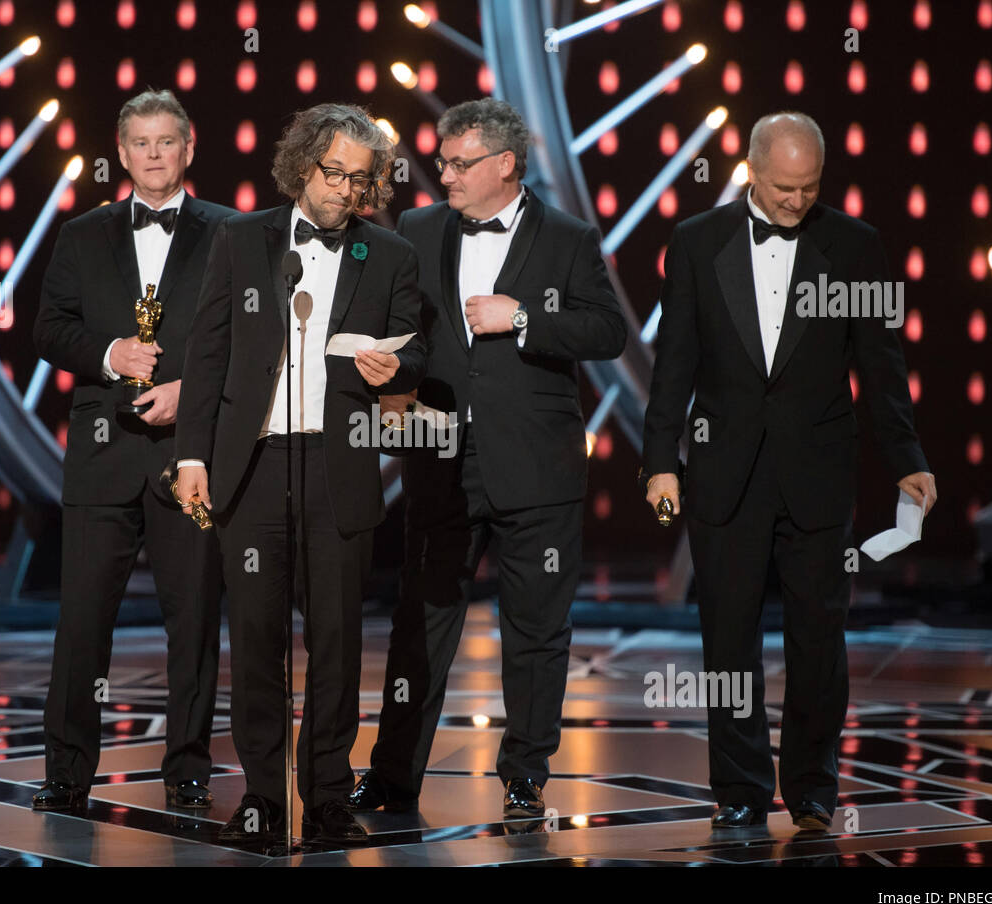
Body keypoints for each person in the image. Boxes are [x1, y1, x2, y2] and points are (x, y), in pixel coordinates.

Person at [641, 111, 937, 830]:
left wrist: (907, 460)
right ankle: (740, 788)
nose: (795, 201)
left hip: (817, 475)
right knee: (729, 638)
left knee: (819, 639)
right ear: (750, 168)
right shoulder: (695, 240)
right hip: (722, 471)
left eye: (808, 188)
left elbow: (882, 366)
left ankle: (811, 786)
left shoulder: (855, 245)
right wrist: (659, 464)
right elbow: (673, 361)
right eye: (782, 187)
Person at [350, 98, 627, 819]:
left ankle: (526, 774)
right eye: (441, 160)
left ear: (505, 164)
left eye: (458, 163)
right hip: (439, 455)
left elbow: (607, 332)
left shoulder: (567, 238)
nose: (442, 174)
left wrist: (526, 318)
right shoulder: (416, 227)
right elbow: (410, 331)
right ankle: (392, 775)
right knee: (421, 620)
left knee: (536, 626)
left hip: (537, 465)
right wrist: (391, 364)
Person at [174, 103, 424, 846]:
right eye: (334, 173)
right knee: (254, 638)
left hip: (338, 465)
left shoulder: (390, 255)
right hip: (252, 467)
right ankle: (261, 795)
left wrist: (394, 370)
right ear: (301, 166)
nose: (346, 190)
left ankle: (325, 795)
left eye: (360, 178)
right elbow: (206, 355)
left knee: (339, 641)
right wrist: (192, 456)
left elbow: (415, 356)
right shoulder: (242, 239)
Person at [31, 90, 232, 813]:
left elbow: (252, 337)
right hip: (103, 455)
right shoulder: (83, 235)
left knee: (196, 620)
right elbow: (49, 330)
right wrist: (112, 354)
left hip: (193, 454)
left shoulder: (232, 233)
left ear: (189, 147)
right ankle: (66, 773)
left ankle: (187, 769)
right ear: (120, 153)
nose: (153, 154)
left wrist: (189, 389)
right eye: (140, 142)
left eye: (166, 141)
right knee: (82, 623)